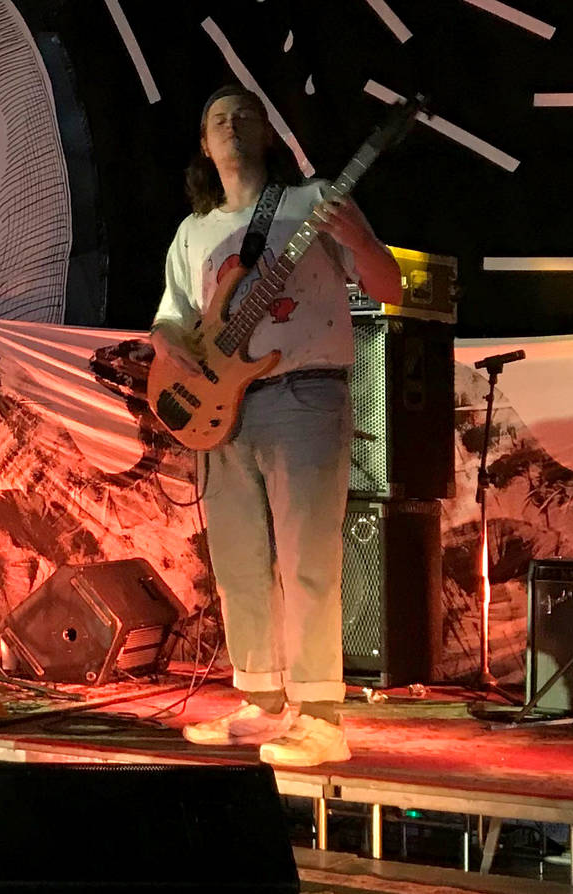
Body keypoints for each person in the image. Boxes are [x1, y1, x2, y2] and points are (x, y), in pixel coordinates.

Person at [152, 84, 401, 767]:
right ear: (204, 145)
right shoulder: (193, 231)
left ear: (267, 132)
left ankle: (320, 715)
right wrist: (170, 342)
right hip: (222, 406)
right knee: (238, 565)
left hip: (303, 392)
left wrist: (360, 239)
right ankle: (261, 702)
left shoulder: (311, 204)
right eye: (217, 118)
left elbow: (389, 289)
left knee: (306, 559)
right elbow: (172, 314)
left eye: (245, 114)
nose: (231, 124)